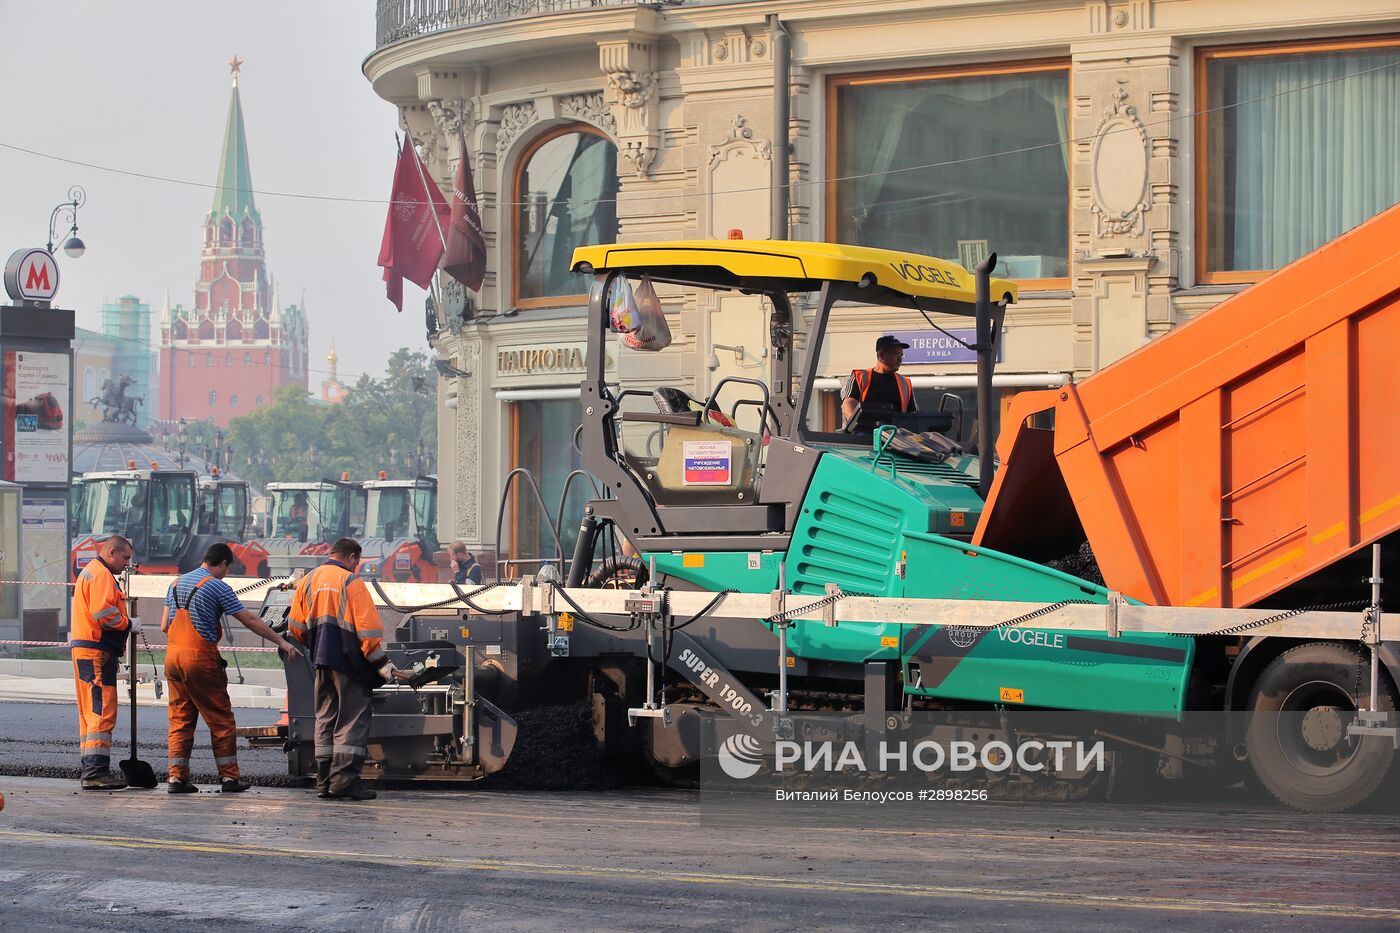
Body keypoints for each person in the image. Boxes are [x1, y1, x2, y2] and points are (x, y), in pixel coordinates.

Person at [160, 543, 301, 794]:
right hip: (199, 660)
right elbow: (249, 620)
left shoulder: (175, 584)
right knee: (221, 719)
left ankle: (176, 779)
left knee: (180, 719)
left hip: (172, 658)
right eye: (227, 568)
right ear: (223, 563)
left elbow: (163, 625)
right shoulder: (217, 586)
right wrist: (281, 641)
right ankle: (229, 778)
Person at [287, 538, 412, 800]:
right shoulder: (351, 581)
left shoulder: (308, 580)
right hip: (349, 664)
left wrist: (318, 643)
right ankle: (344, 782)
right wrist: (383, 665)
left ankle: (323, 782)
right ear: (353, 557)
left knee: (325, 719)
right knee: (351, 720)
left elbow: (295, 628)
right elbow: (367, 633)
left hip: (320, 662)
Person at [69, 535, 134, 790]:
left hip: (85, 649)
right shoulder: (102, 575)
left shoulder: (89, 572)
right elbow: (104, 613)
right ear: (111, 553)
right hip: (96, 650)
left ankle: (89, 767)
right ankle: (96, 773)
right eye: (125, 557)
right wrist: (129, 624)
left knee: (88, 712)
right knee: (101, 710)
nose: (127, 563)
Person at [840, 334, 917, 431]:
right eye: (896, 354)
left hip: (896, 438)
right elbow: (848, 404)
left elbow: (913, 415)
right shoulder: (860, 376)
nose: (900, 359)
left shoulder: (905, 383)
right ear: (881, 355)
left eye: (901, 355)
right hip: (863, 437)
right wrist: (857, 426)